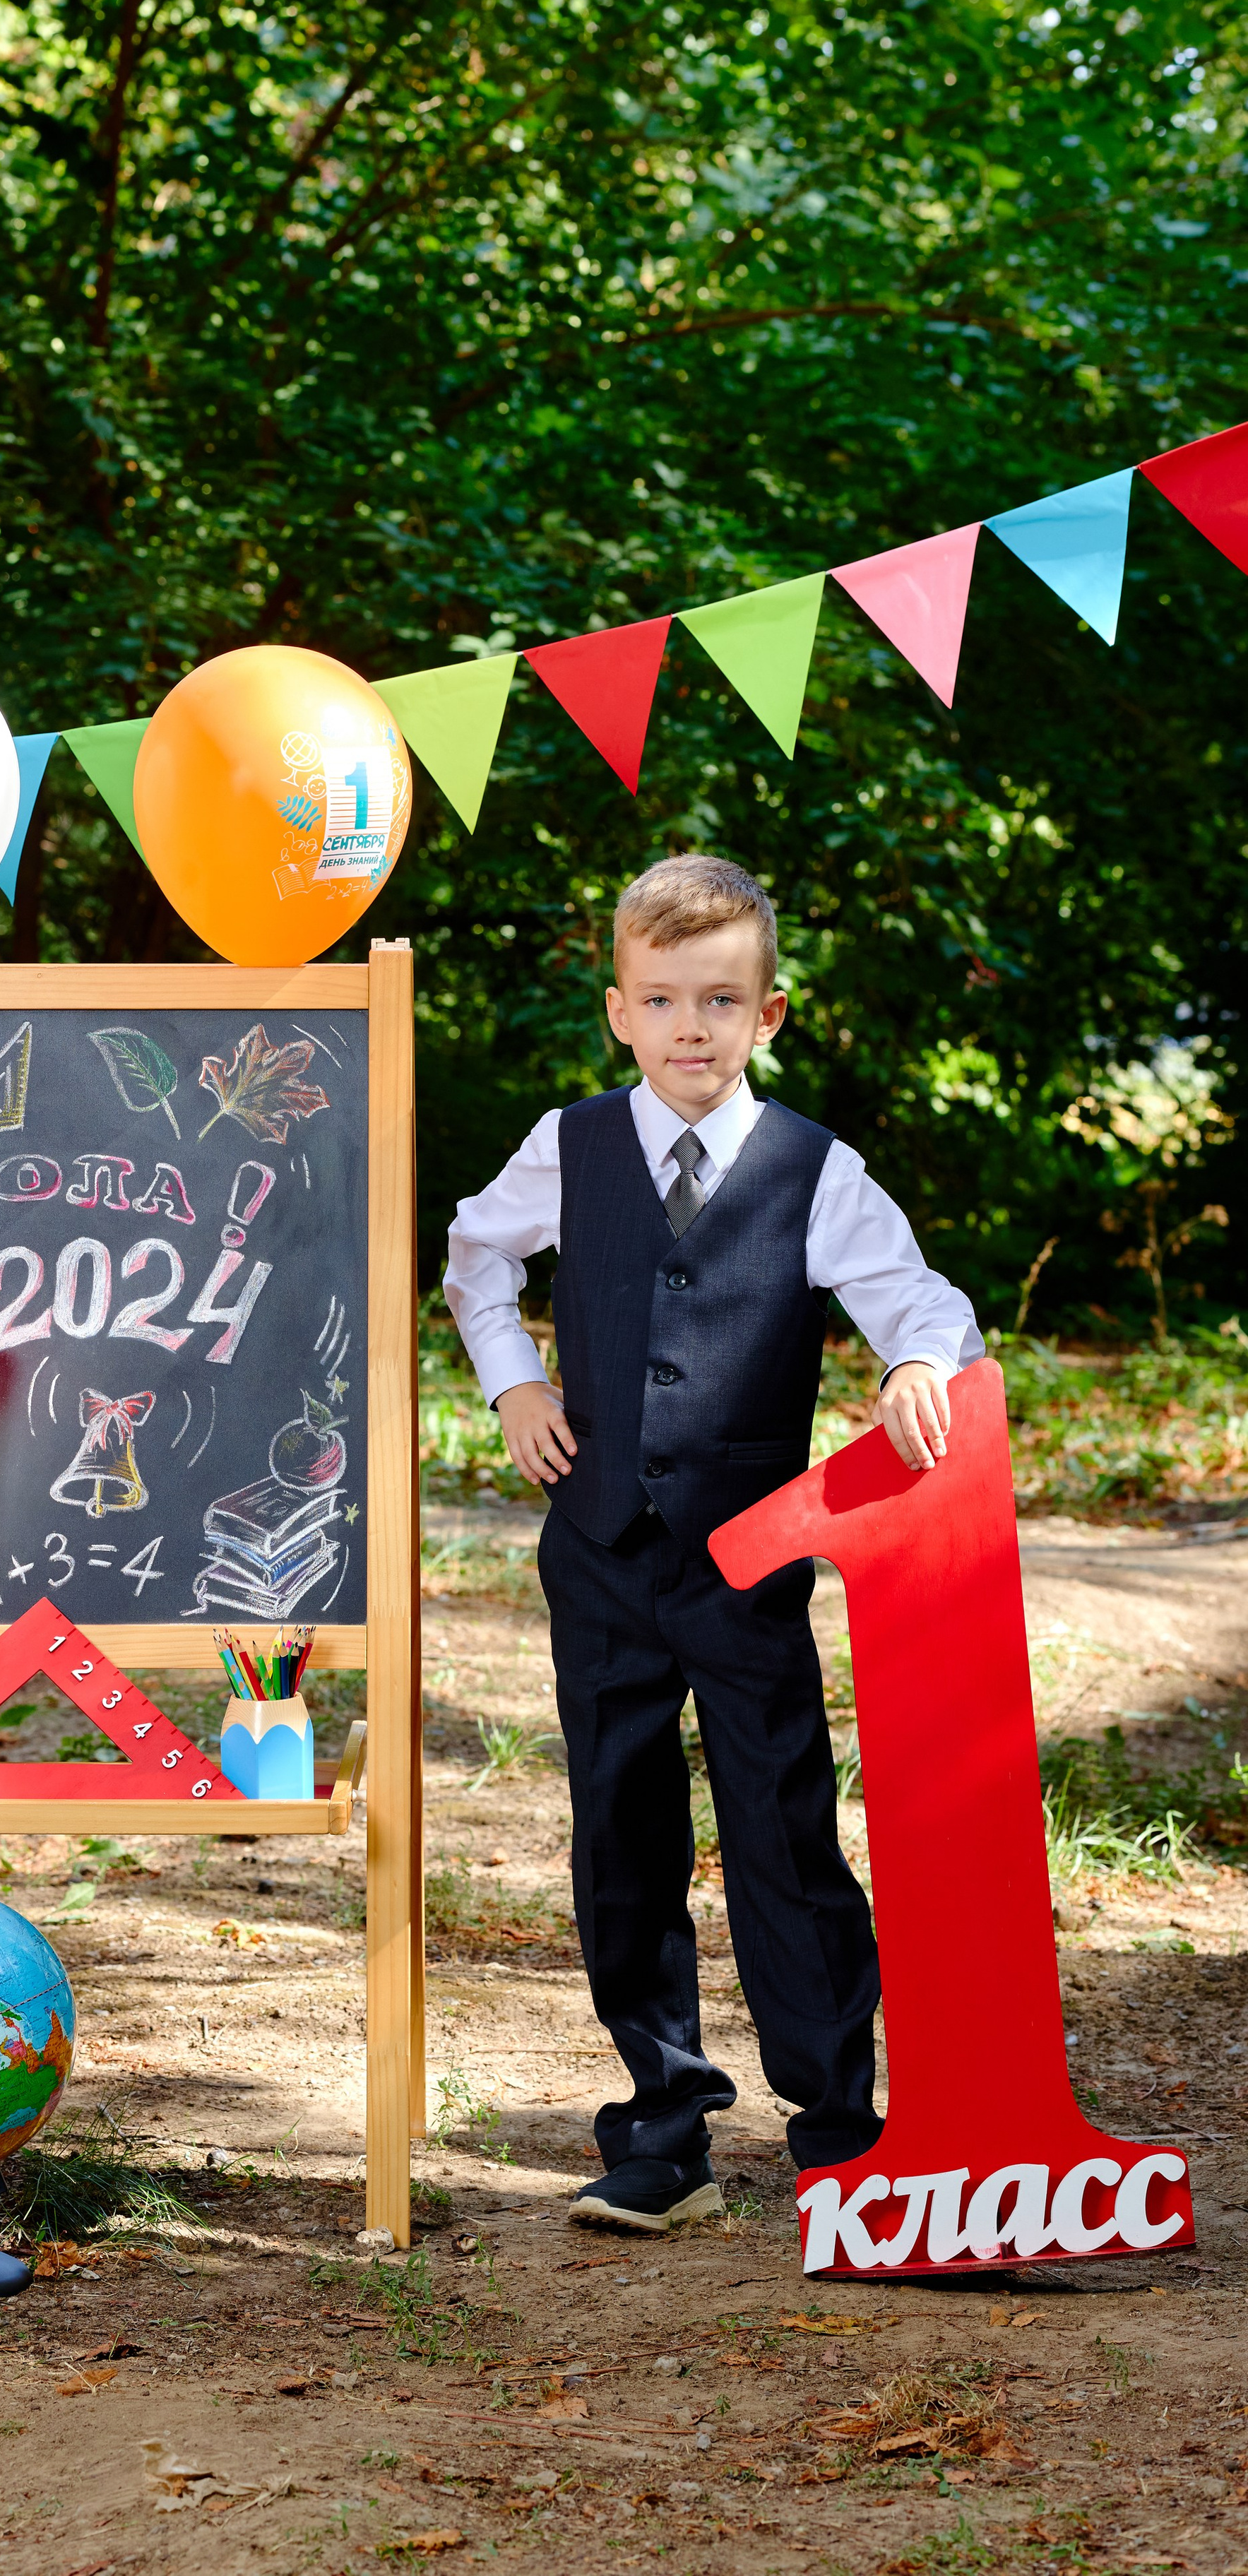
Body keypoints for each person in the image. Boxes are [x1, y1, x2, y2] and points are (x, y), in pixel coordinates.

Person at [443, 855, 983, 2234]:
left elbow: (919, 1298)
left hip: (746, 1564)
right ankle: (660, 2123)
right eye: (663, 999)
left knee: (781, 1829)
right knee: (618, 1830)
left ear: (767, 1015)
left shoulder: (815, 1170)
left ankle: (835, 2121)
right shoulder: (567, 1146)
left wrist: (916, 1363)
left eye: (720, 1000)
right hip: (603, 1554)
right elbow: (473, 1252)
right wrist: (511, 1379)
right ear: (618, 1009)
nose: (691, 1026)